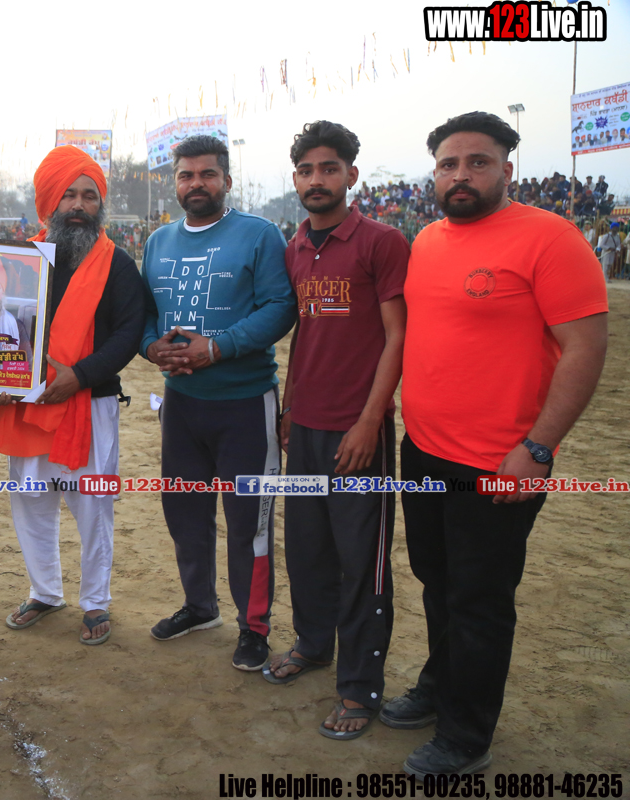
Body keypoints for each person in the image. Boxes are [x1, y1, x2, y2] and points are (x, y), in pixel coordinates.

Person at [386, 111, 607, 777]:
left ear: (507, 169)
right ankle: (440, 685)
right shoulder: (426, 240)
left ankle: (466, 735)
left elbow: (585, 348)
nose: (461, 175)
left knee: (479, 600)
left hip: (501, 463)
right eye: (448, 164)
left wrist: (538, 450)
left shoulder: (551, 238)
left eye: (477, 162)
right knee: (436, 582)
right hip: (424, 451)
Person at [265, 121, 409, 741]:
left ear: (351, 174)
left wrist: (370, 421)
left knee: (362, 561)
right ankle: (313, 644)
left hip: (359, 433)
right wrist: (290, 407)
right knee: (307, 549)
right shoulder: (295, 246)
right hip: (307, 428)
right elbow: (306, 333)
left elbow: (398, 337)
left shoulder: (382, 242)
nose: (316, 180)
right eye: (306, 170)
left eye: (329, 168)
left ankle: (360, 686)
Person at [139, 135, 297, 670]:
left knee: (249, 522)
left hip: (245, 404)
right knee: (185, 512)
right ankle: (200, 606)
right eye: (186, 175)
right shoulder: (158, 241)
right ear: (175, 182)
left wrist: (218, 347)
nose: (196, 183)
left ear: (226, 180)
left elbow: (280, 306)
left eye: (207, 174)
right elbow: (145, 314)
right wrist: (151, 347)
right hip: (181, 404)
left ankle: (254, 627)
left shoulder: (258, 234)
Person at [0, 146, 145, 645]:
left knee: (93, 507)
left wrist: (80, 375)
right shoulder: (20, 263)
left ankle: (95, 602)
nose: (78, 205)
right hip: (28, 405)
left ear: (100, 204)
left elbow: (128, 333)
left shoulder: (117, 264)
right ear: (49, 203)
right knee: (31, 502)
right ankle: (45, 591)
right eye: (68, 195)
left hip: (90, 403)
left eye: (89, 196)